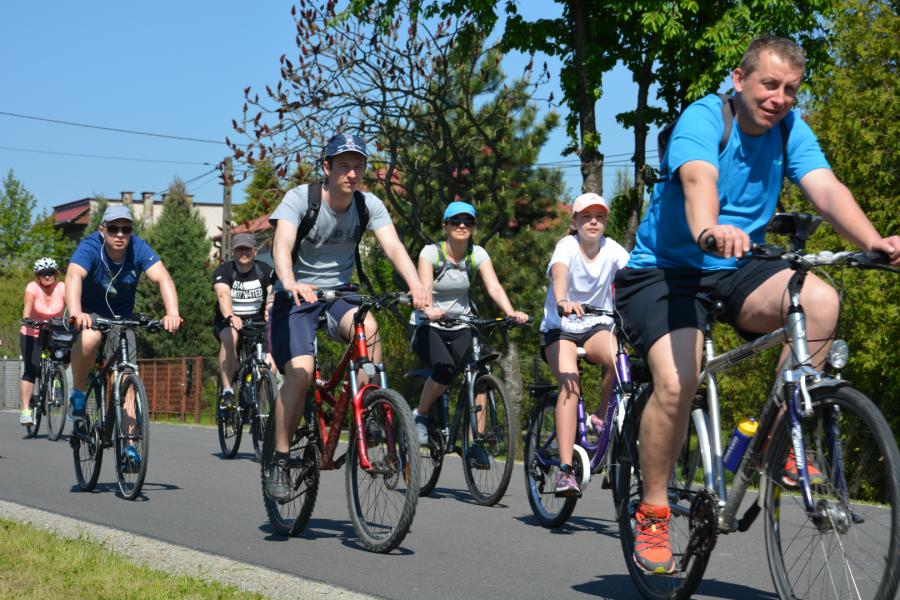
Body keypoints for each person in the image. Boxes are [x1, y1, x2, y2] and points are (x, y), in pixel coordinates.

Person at [614, 35, 900, 575]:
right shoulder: (705, 118)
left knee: (819, 300)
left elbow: (825, 188)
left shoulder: (789, 129)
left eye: (790, 89)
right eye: (769, 84)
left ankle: (784, 438)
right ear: (740, 79)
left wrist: (873, 241)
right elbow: (699, 178)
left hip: (738, 266)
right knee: (677, 381)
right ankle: (652, 509)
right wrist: (709, 228)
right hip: (667, 271)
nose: (779, 98)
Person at [265, 133, 430, 500]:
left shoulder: (368, 205)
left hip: (339, 295)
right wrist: (290, 281)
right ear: (327, 167)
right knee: (301, 372)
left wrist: (418, 286)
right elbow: (282, 244)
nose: (352, 174)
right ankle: (280, 460)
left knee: (369, 330)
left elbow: (393, 246)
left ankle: (368, 413)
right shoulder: (300, 199)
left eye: (358, 166)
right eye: (344, 166)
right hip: (296, 296)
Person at [65, 205, 182, 466]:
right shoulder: (90, 247)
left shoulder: (138, 248)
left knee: (127, 375)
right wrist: (76, 312)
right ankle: (79, 393)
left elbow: (163, 277)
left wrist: (172, 313)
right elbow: (73, 276)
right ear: (102, 230)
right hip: (89, 314)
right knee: (91, 338)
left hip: (121, 318)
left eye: (126, 229)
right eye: (114, 229)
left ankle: (129, 445)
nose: (120, 234)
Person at [409, 201, 529, 453]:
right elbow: (425, 287)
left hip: (461, 324)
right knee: (444, 369)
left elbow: (494, 287)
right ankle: (420, 414)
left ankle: (477, 443)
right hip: (428, 324)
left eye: (468, 222)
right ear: (446, 226)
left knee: (479, 374)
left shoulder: (477, 254)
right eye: (456, 221)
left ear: (473, 227)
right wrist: (428, 308)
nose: (462, 226)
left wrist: (510, 312)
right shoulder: (431, 253)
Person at [539, 193, 629, 497]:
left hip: (595, 326)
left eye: (599, 217)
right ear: (575, 221)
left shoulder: (612, 249)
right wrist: (562, 300)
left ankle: (600, 417)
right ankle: (565, 471)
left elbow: (634, 276)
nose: (593, 222)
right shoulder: (566, 246)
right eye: (586, 217)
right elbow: (559, 273)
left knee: (620, 361)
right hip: (561, 328)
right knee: (571, 385)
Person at [212, 232, 274, 408]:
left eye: (247, 249)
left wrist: (270, 306)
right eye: (239, 249)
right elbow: (223, 294)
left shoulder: (265, 270)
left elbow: (272, 292)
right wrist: (230, 315)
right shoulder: (224, 271)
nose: (243, 253)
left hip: (258, 322)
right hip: (229, 320)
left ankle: (263, 395)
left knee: (270, 349)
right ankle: (228, 392)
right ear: (233, 251)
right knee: (230, 337)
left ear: (255, 251)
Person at [18, 258, 67, 426]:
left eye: (51, 273)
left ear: (56, 274)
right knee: (31, 369)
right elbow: (28, 304)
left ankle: (56, 378)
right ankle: (26, 411)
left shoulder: (62, 287)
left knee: (65, 355)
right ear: (38, 276)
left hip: (54, 331)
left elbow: (72, 307)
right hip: (32, 331)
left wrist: (76, 318)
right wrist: (26, 319)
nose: (47, 276)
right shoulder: (32, 287)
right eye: (43, 273)